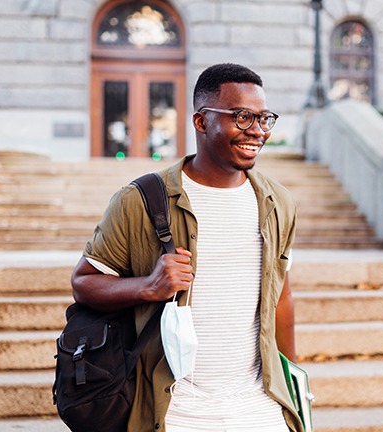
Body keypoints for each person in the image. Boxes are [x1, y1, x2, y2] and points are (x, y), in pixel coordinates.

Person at [71, 63, 302, 432]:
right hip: (175, 411)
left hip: (260, 408)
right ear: (201, 121)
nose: (257, 131)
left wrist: (292, 385)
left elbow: (281, 296)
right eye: (242, 117)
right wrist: (148, 286)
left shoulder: (277, 202)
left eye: (264, 118)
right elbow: (84, 283)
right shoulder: (141, 200)